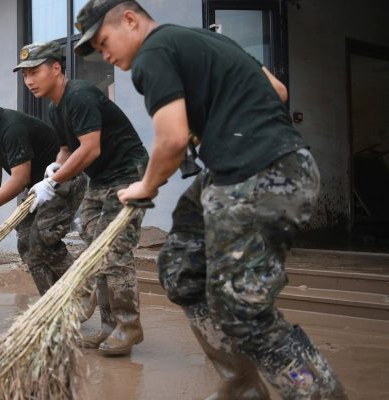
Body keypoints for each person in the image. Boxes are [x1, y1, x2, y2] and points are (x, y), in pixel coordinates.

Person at [75, 0, 344, 397]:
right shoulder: (207, 42)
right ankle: (242, 388)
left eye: (104, 41)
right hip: (244, 172)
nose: (105, 55)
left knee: (242, 306)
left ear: (130, 20)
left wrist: (145, 187)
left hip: (261, 173)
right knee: (182, 270)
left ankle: (317, 392)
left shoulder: (152, 53)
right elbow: (278, 91)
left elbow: (171, 139)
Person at [16, 40, 150, 356]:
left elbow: (90, 148)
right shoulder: (54, 106)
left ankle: (128, 325)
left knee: (113, 248)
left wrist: (54, 181)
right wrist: (53, 169)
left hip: (128, 173)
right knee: (94, 249)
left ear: (56, 67)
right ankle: (107, 326)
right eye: (25, 75)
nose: (30, 80)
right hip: (101, 178)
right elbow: (67, 148)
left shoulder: (79, 95)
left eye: (35, 71)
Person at [0, 78, 83, 300]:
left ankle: (81, 290)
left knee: (42, 239)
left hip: (61, 181)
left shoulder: (12, 127)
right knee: (25, 244)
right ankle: (51, 300)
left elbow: (19, 179)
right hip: (35, 188)